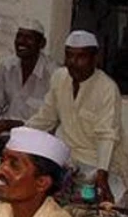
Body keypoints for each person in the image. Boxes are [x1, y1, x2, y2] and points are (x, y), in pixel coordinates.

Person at [27, 30, 124, 203]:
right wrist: (19, 136)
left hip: (97, 165)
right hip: (65, 159)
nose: (74, 63)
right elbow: (46, 117)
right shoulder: (59, 77)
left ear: (96, 59)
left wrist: (102, 175)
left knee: (105, 208)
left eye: (81, 57)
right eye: (69, 56)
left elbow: (107, 136)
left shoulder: (107, 88)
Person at [0, 19, 58, 141]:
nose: (21, 42)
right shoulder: (8, 66)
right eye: (19, 36)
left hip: (33, 135)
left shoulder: (54, 74)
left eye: (28, 38)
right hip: (3, 129)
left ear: (42, 43)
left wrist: (6, 125)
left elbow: (49, 122)